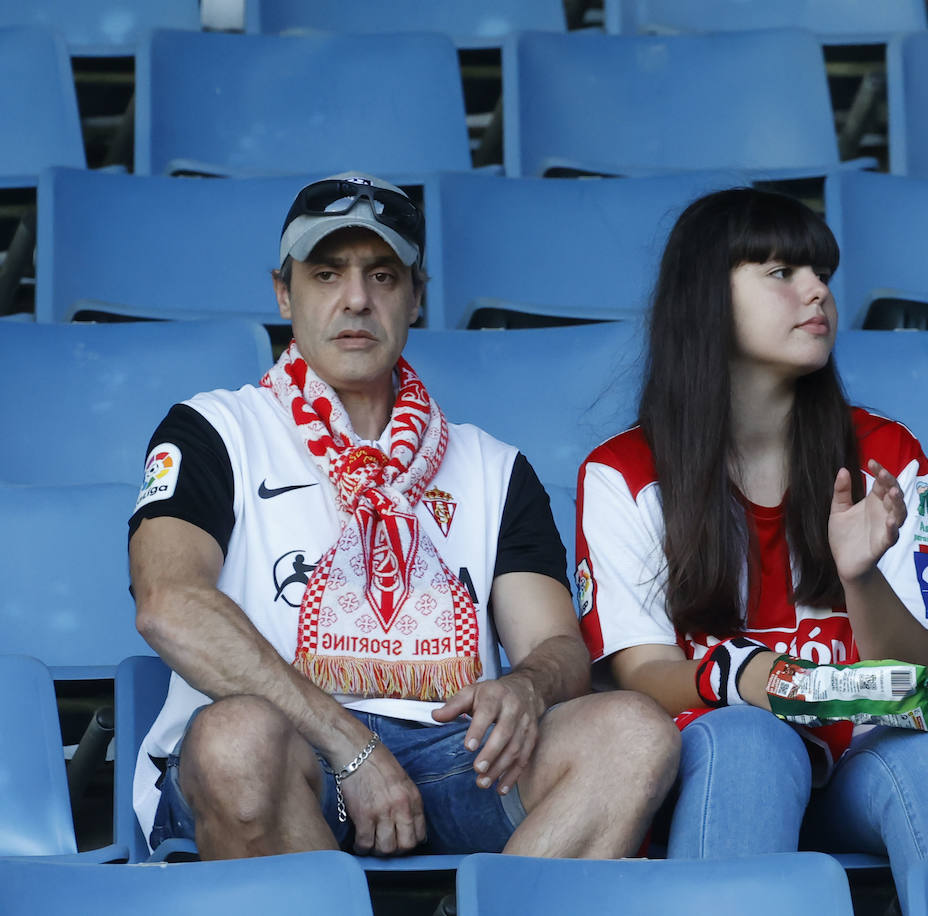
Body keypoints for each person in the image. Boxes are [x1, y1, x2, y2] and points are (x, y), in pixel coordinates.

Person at [128, 172, 679, 861]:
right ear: (282, 291)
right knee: (236, 739)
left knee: (633, 732)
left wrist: (526, 686)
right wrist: (350, 746)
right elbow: (168, 605)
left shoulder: (492, 465)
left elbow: (559, 650)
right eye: (326, 273)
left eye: (382, 276)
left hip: (457, 755)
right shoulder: (213, 429)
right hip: (290, 749)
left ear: (416, 297)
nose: (356, 299)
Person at [575, 188, 928, 910]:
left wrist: (862, 577)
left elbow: (918, 677)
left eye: (822, 275)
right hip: (716, 764)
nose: (816, 292)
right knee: (753, 743)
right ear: (706, 303)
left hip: (860, 763)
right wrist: (748, 679)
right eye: (780, 273)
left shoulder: (885, 452)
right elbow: (642, 671)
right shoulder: (622, 473)